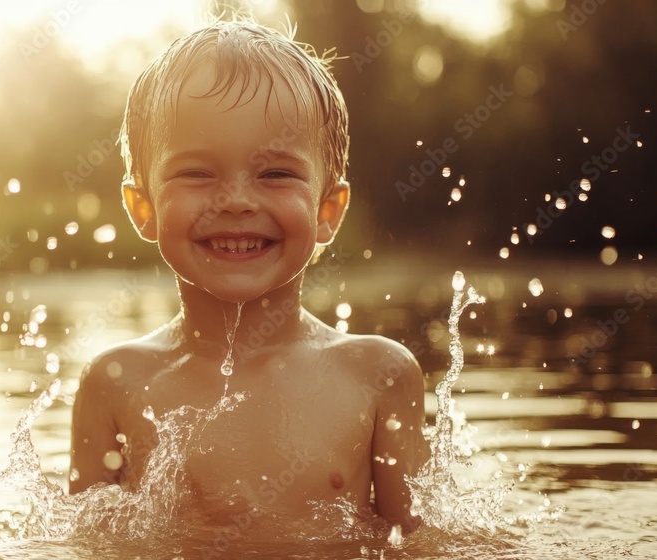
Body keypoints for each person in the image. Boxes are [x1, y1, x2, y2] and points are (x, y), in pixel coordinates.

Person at [68, 18, 429, 539]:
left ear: (328, 209)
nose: (235, 199)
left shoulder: (376, 374)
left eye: (275, 174)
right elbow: (85, 546)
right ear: (142, 207)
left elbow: (421, 545)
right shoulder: (116, 381)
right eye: (196, 173)